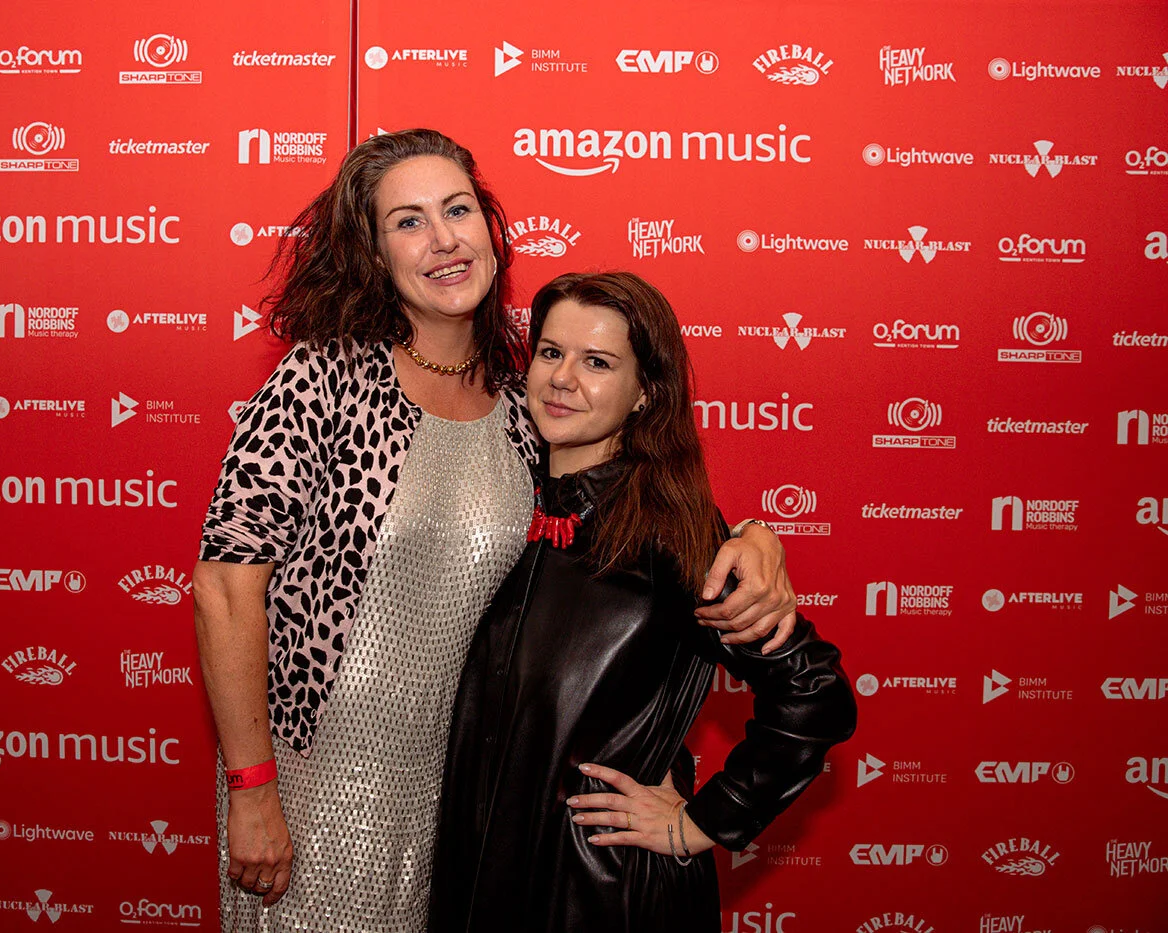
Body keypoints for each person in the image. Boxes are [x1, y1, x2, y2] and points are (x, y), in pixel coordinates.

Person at [193, 130, 797, 932]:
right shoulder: (322, 378)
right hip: (317, 779)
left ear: (489, 226)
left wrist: (753, 534)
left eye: (458, 210)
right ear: (373, 252)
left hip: (462, 795)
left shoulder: (523, 405)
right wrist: (252, 788)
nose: (443, 239)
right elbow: (225, 585)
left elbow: (630, 492)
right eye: (408, 221)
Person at [430, 272, 858, 933]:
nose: (562, 378)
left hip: (601, 894)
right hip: (489, 879)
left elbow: (815, 692)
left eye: (597, 363)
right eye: (551, 352)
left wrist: (701, 823)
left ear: (644, 393)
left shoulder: (667, 532)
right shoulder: (509, 504)